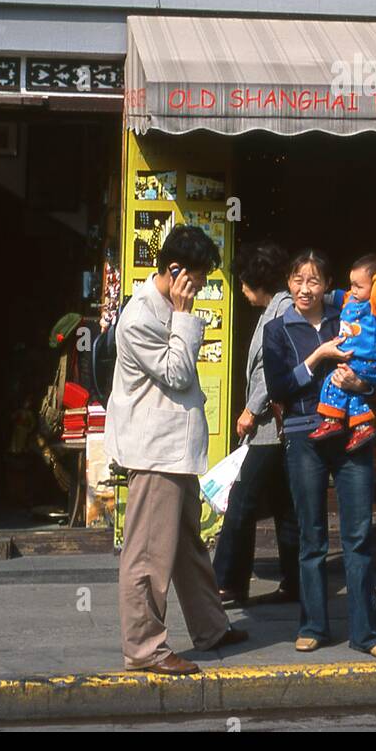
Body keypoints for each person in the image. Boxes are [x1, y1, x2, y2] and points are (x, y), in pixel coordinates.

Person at [104, 225, 246, 674]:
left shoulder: (162, 307)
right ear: (174, 270)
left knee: (187, 543)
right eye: (199, 277)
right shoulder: (141, 316)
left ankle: (210, 627)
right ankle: (145, 648)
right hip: (154, 452)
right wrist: (185, 316)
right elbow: (178, 373)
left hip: (175, 452)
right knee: (148, 553)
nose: (202, 286)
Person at [263, 248, 376, 660]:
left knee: (358, 537)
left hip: (352, 433)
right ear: (289, 283)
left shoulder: (348, 315)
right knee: (313, 537)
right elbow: (279, 387)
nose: (306, 289)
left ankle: (367, 633)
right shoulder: (277, 328)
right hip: (305, 436)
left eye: (314, 281)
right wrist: (318, 356)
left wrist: (362, 385)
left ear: (327, 286)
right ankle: (313, 626)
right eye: (298, 280)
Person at [213, 241, 299, 607]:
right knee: (285, 505)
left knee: (242, 501)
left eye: (244, 284)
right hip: (280, 431)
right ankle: (295, 583)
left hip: (268, 428)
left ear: (254, 280)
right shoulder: (279, 308)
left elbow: (271, 370)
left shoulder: (279, 312)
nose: (242, 292)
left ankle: (227, 582)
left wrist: (250, 410)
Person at [309, 254, 376, 451]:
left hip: (369, 361)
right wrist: (314, 293)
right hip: (361, 362)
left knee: (334, 381)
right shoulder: (353, 298)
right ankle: (362, 426)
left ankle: (333, 419)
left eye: (359, 286)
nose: (354, 290)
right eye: (352, 284)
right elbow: (338, 296)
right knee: (350, 392)